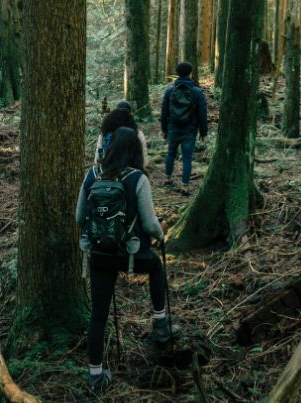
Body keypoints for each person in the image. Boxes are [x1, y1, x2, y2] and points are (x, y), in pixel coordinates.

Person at [75, 127, 175, 394]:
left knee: (98, 316)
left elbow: (78, 217)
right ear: (135, 151)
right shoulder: (137, 179)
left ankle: (95, 376)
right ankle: (161, 323)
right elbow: (151, 224)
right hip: (131, 255)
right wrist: (161, 234)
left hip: (99, 255)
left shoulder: (91, 175)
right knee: (155, 266)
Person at [160, 62, 208, 196]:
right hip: (190, 129)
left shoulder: (170, 90)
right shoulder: (196, 92)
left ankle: (167, 179)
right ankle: (185, 187)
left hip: (173, 128)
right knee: (187, 157)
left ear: (178, 73)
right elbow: (202, 113)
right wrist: (203, 132)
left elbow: (164, 112)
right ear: (190, 73)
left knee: (170, 153)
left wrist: (164, 129)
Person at [95, 101, 149, 168]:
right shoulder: (137, 133)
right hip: (131, 172)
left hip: (108, 171)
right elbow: (144, 161)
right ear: (130, 113)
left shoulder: (106, 131)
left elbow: (98, 156)